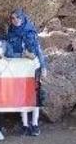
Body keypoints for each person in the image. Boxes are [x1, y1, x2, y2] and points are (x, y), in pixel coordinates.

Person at [5, 8, 47, 136]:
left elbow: (38, 50)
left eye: (18, 17)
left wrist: (43, 67)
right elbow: (9, 53)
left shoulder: (31, 31)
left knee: (35, 95)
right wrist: (22, 55)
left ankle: (34, 123)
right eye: (12, 18)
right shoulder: (11, 33)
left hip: (34, 67)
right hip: (20, 68)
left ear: (23, 18)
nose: (15, 20)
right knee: (22, 95)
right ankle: (24, 124)